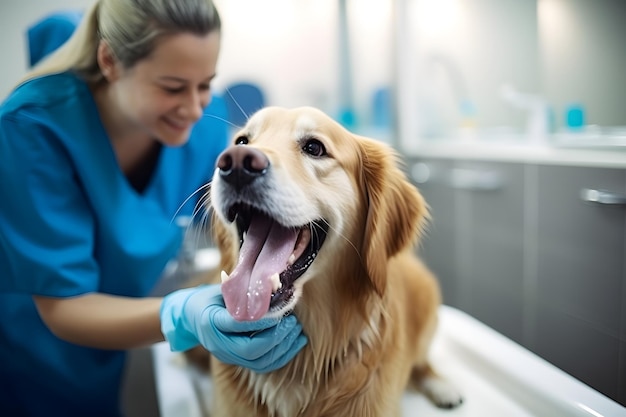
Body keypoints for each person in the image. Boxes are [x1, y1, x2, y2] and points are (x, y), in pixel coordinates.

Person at [0, 1, 307, 416]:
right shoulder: (32, 127)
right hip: (26, 361)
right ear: (110, 61)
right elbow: (63, 307)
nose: (196, 107)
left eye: (206, 85)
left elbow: (241, 207)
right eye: (173, 87)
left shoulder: (199, 126)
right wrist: (184, 313)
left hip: (104, 365)